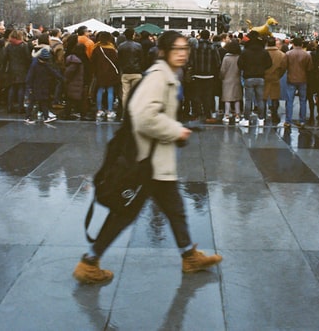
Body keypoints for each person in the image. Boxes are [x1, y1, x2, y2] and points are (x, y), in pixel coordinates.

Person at [73, 30, 222, 284]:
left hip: (155, 160)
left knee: (174, 210)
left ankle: (189, 255)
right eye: (177, 49)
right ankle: (89, 262)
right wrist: (176, 130)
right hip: (146, 162)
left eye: (185, 48)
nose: (183, 53)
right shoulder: (158, 77)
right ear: (163, 51)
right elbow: (144, 116)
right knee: (125, 214)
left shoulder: (168, 75)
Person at [237, 31, 272, 127]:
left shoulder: (245, 51)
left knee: (248, 100)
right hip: (260, 77)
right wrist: (262, 68)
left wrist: (246, 69)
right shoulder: (264, 52)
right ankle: (261, 119)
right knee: (260, 100)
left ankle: (246, 119)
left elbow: (239, 64)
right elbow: (269, 64)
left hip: (248, 77)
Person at [25, 49, 63, 124]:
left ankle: (30, 117)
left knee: (38, 102)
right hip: (38, 86)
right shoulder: (43, 65)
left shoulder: (36, 64)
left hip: (38, 86)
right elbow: (53, 72)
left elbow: (29, 77)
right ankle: (35, 117)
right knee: (40, 102)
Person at [284, 37, 313, 130]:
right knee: (303, 101)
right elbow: (310, 68)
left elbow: (284, 66)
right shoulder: (307, 55)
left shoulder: (288, 54)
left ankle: (288, 121)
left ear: (293, 44)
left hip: (291, 79)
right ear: (301, 44)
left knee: (289, 101)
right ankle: (302, 120)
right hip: (303, 79)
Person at [91, 31, 119, 120]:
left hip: (99, 73)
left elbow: (93, 61)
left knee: (100, 90)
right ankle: (109, 110)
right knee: (110, 91)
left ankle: (99, 110)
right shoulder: (112, 49)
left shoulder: (96, 48)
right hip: (110, 73)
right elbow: (116, 61)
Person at [117, 27, 144, 110]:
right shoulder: (138, 46)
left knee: (125, 93)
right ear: (133, 35)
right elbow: (141, 59)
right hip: (136, 71)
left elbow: (119, 59)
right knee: (136, 93)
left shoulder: (121, 46)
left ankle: (126, 111)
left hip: (125, 72)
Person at [263, 36, 287, 124]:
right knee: (275, 97)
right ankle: (274, 114)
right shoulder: (281, 54)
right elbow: (284, 67)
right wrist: (279, 75)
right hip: (275, 77)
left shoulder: (263, 53)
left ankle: (262, 115)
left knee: (263, 97)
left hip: (264, 77)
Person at [220, 40, 242, 123]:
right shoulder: (239, 57)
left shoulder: (226, 58)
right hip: (237, 79)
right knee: (237, 99)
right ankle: (237, 115)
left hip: (227, 80)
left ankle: (226, 115)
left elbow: (222, 70)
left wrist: (221, 77)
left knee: (227, 99)